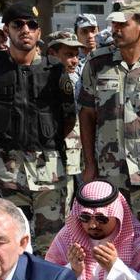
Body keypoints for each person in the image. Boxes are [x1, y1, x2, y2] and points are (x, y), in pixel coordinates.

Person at [0, 2, 77, 256]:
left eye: (32, 25)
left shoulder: (55, 71)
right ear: (6, 29)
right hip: (4, 174)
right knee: (7, 244)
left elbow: (68, 119)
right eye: (18, 24)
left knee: (50, 248)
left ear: (39, 32)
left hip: (48, 175)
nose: (25, 30)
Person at [79, 0, 140, 231]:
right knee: (110, 234)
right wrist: (90, 163)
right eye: (114, 24)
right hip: (109, 171)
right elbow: (87, 115)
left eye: (123, 24)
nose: (115, 30)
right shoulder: (97, 63)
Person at [46, 30, 85, 202]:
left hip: (77, 154)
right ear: (53, 54)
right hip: (55, 156)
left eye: (76, 55)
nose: (75, 60)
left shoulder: (78, 79)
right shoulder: (44, 80)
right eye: (68, 55)